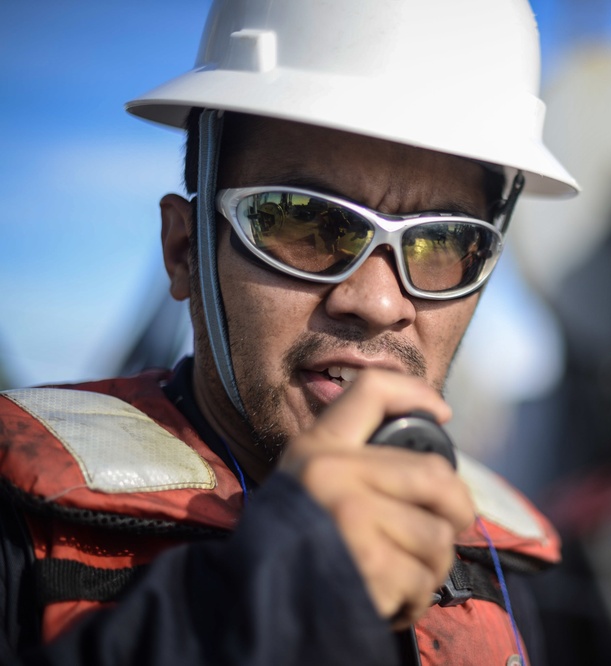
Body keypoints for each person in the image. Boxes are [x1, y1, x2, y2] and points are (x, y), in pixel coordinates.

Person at [0, 1, 578, 664]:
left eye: (443, 245)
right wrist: (261, 607)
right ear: (184, 250)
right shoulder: (18, 525)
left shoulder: (505, 565)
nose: (379, 300)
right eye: (302, 223)